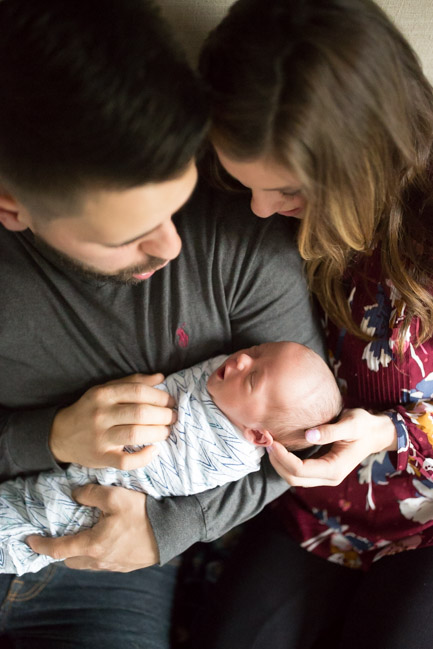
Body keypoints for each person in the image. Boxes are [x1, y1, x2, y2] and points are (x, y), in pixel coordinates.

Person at [0, 1, 325, 646]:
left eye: (177, 204)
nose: (171, 248)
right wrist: (50, 438)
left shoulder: (240, 229)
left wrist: (162, 532)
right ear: (13, 208)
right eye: (129, 236)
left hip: (110, 557)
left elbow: (297, 434)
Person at [195, 0, 433, 647]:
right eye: (246, 183)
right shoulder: (248, 218)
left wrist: (389, 433)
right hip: (311, 512)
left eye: (291, 192)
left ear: (366, 157)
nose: (261, 209)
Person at [0, 341, 341, 576]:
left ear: (256, 436)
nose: (240, 360)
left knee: (31, 530)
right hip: (77, 460)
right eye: (255, 351)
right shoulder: (224, 380)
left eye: (252, 378)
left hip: (100, 501)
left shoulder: (230, 454)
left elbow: (167, 470)